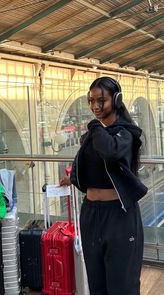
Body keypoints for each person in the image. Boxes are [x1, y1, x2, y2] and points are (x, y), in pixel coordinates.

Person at [60, 76, 148, 295]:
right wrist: (72, 178)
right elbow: (92, 164)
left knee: (123, 285)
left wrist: (93, 126)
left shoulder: (125, 132)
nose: (95, 106)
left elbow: (110, 151)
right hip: (91, 213)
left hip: (119, 215)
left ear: (116, 100)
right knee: (97, 283)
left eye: (101, 100)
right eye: (91, 101)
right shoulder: (94, 135)